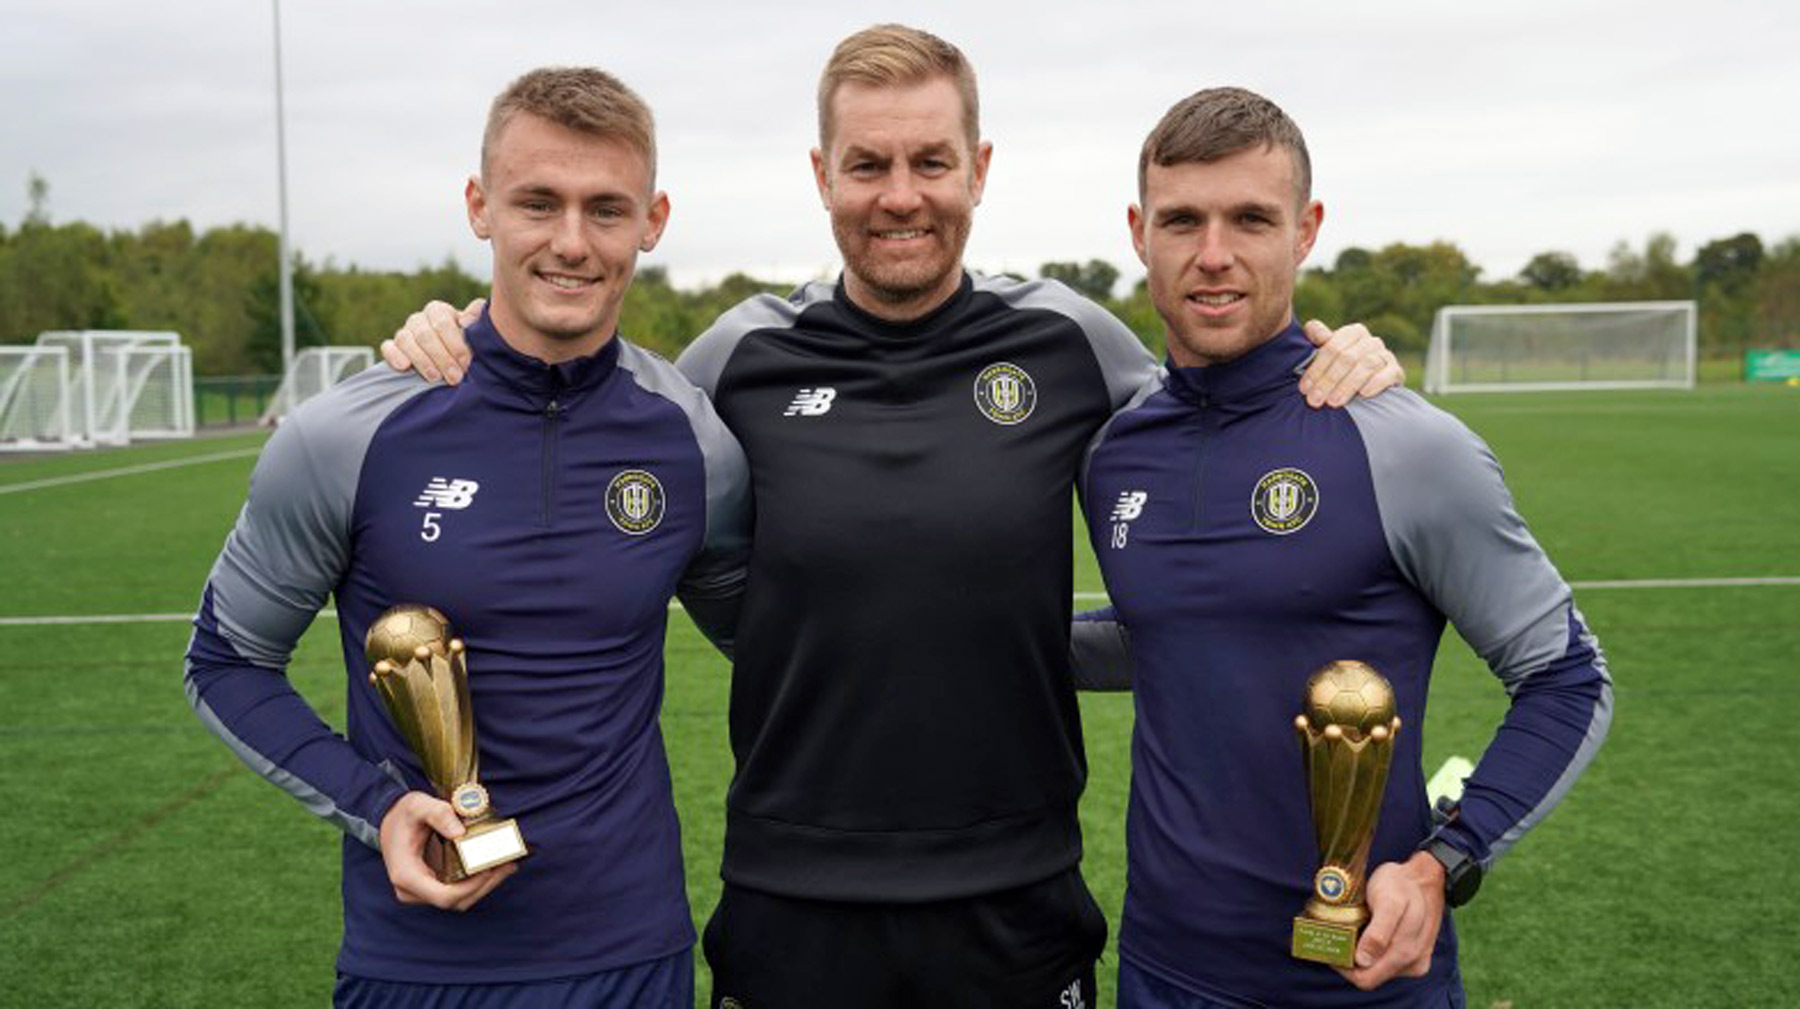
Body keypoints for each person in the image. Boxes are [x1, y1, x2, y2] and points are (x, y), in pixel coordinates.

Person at [385, 27, 1401, 1008]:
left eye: (931, 160)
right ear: (823, 174)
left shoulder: (1068, 341)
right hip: (793, 894)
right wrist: (458, 332)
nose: (901, 195)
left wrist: (1334, 359)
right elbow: (581, 413)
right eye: (868, 164)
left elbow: (1210, 416)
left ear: (979, 167)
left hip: (1017, 892)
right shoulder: (735, 358)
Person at [183, 67, 748, 1008]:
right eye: (538, 203)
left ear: (653, 221)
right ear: (480, 206)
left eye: (607, 209)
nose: (572, 242)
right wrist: (378, 805)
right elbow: (225, 659)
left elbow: (776, 643)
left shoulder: (695, 443)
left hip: (631, 954)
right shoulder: (348, 435)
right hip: (417, 963)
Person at [1077, 86, 1613, 1007]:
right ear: (1138, 230)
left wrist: (1448, 857)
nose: (1213, 255)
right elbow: (1171, 635)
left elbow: (1568, 677)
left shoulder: (1402, 441)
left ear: (1306, 228)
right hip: (1160, 968)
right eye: (1182, 220)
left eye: (1251, 218)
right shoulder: (1116, 449)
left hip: (1357, 981)